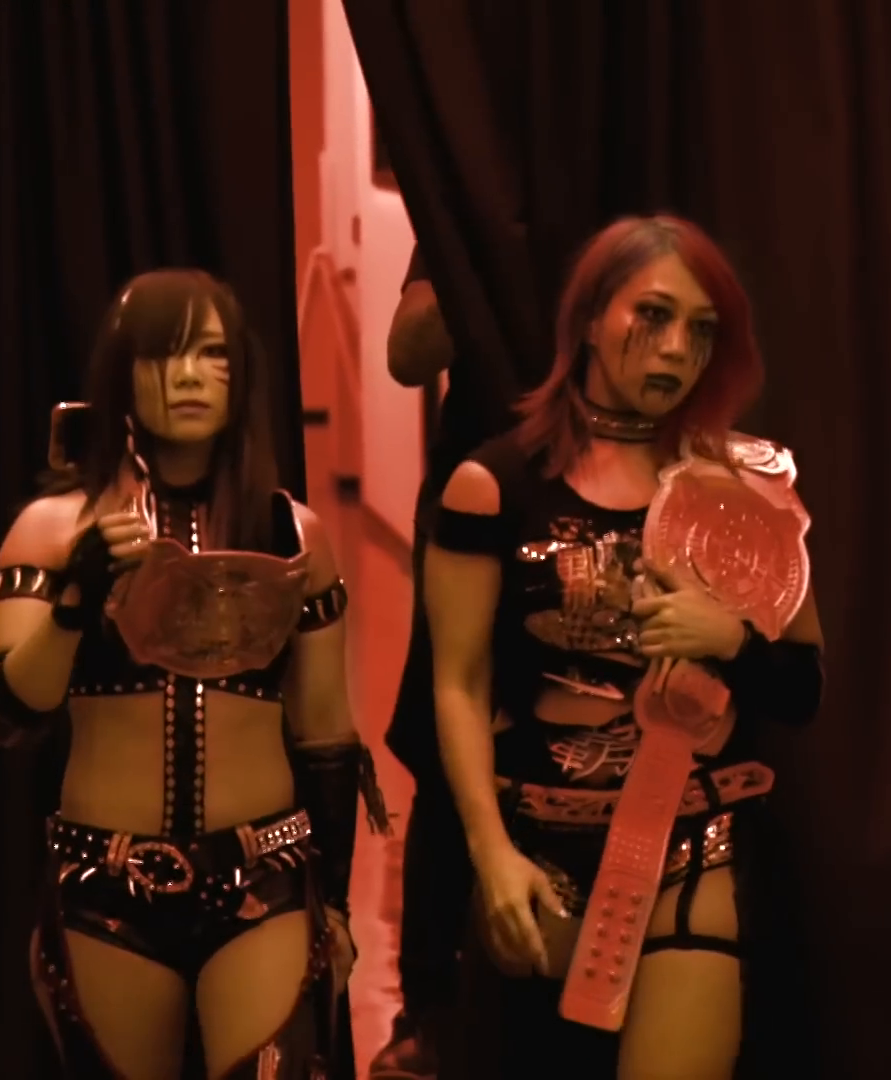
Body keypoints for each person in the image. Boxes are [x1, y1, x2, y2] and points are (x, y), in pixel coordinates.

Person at [424, 217, 826, 1078]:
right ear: (589, 321)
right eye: (652, 315)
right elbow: (456, 684)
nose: (676, 348)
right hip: (538, 851)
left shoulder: (745, 486)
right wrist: (489, 853)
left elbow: (805, 687)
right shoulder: (492, 485)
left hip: (697, 846)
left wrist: (733, 641)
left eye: (702, 329)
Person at [0, 269, 387, 1079]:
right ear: (121, 375)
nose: (191, 375)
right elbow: (5, 715)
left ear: (242, 375)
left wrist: (335, 906)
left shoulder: (292, 533)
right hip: (105, 881)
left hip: (265, 877)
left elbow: (327, 736)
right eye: (164, 355)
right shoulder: (53, 529)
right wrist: (75, 599)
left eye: (212, 353)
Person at [369, 248, 503, 1079]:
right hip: (477, 481)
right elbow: (406, 352)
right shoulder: (471, 201)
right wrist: (479, 260)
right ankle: (425, 1011)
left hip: (608, 475)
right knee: (445, 749)